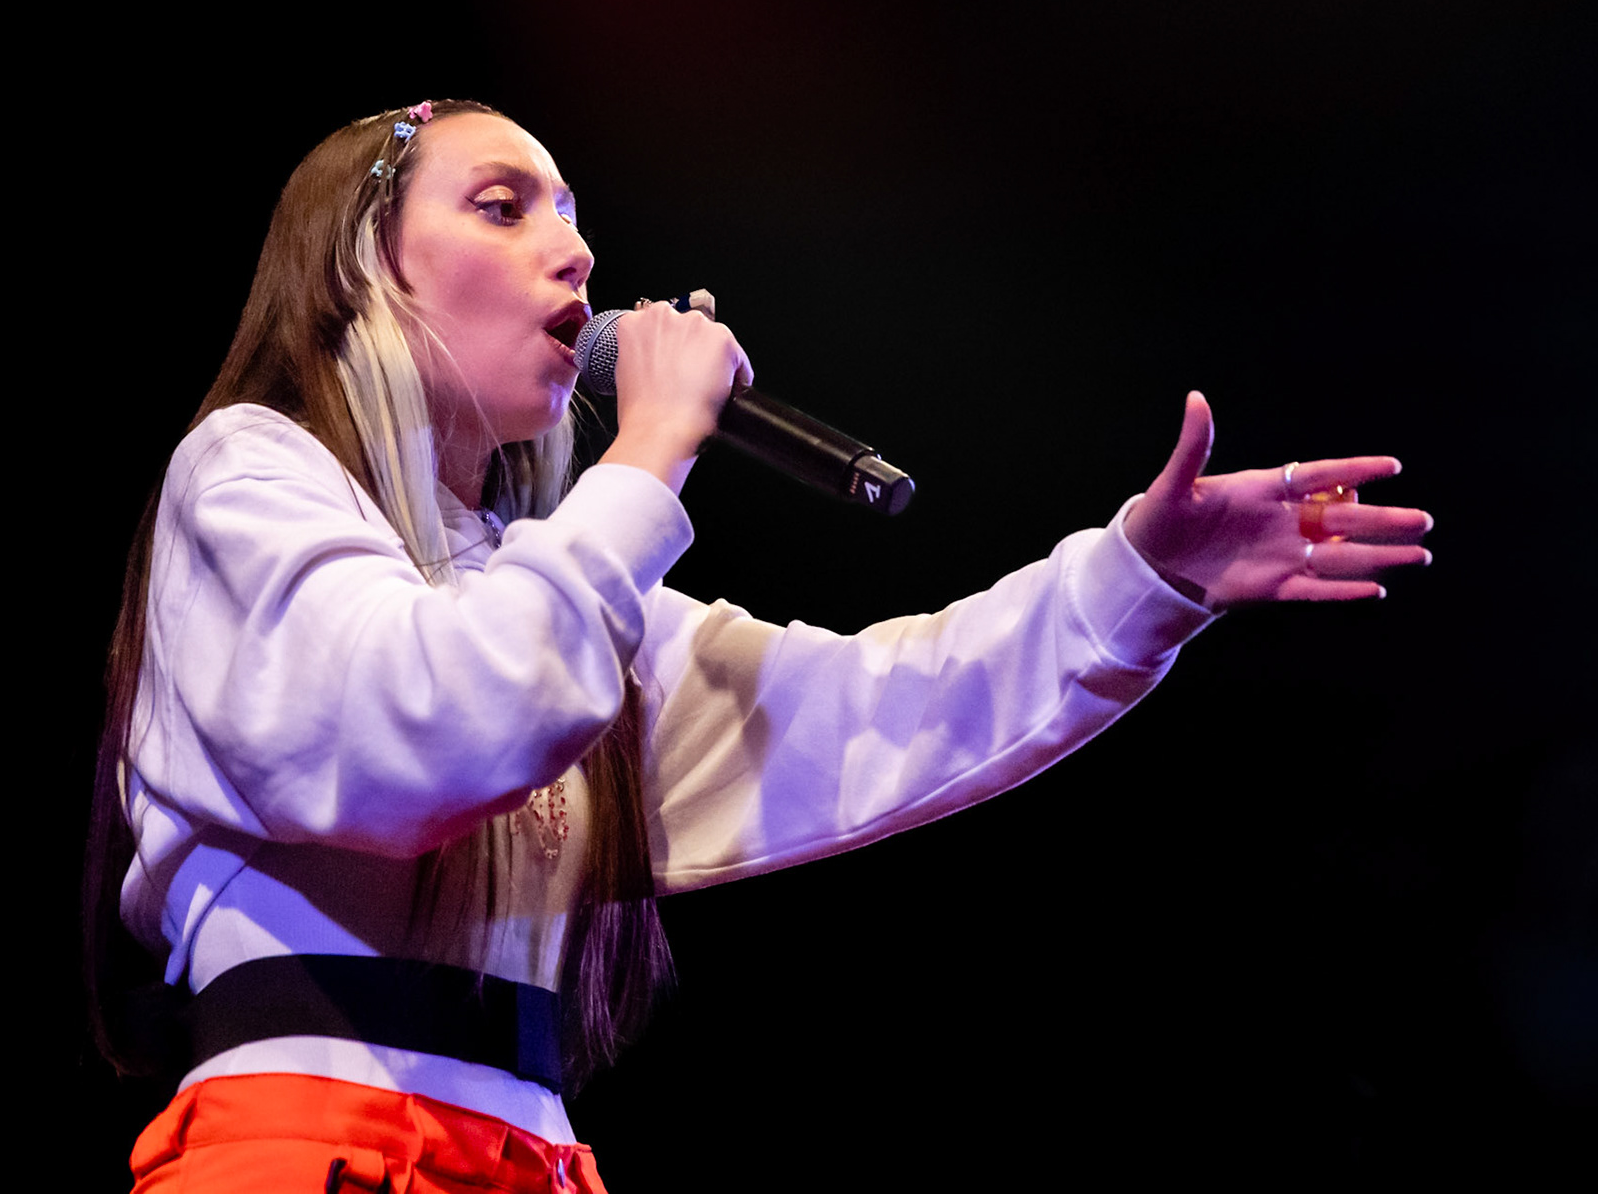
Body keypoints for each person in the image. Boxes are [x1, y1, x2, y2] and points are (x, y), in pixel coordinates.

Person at [84, 99, 1433, 1192]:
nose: (577, 256)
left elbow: (883, 712)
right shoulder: (249, 477)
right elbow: (426, 728)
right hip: (306, 1145)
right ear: (358, 268)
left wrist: (1143, 578)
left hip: (528, 1158)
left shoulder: (553, 590)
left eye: (572, 214)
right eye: (504, 206)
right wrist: (653, 450)